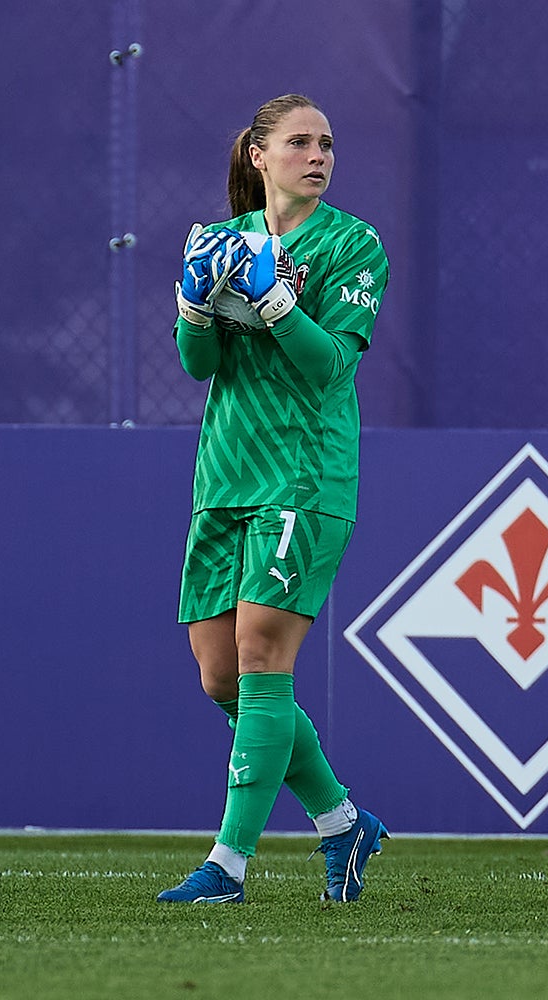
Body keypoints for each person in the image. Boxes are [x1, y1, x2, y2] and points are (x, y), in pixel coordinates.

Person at [157, 94, 390, 904]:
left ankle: (227, 866)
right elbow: (196, 364)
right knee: (221, 677)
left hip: (304, 475)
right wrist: (193, 305)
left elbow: (328, 366)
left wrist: (276, 301)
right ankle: (342, 822)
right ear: (259, 156)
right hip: (224, 474)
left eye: (326, 143)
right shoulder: (225, 242)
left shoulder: (354, 244)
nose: (317, 155)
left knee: (262, 660)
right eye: (298, 142)